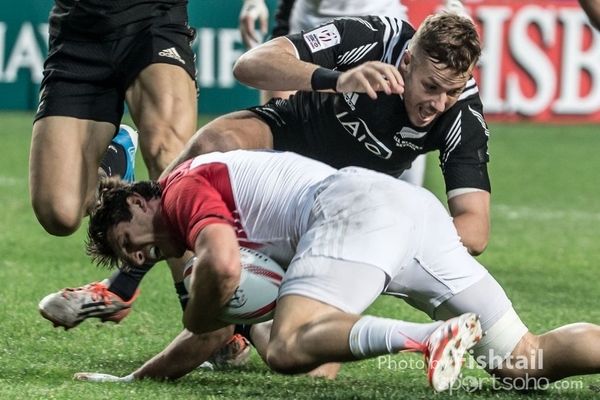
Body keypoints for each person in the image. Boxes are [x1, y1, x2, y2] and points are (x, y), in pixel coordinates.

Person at [40, 12, 488, 334]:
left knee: (294, 350)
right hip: (289, 132)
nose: (437, 104)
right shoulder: (375, 37)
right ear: (407, 62)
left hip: (343, 194)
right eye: (430, 87)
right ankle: (126, 283)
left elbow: (475, 229)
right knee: (212, 145)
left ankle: (228, 327)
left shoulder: (460, 115)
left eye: (451, 92)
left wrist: (391, 238)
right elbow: (249, 65)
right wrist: (336, 79)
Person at [78, 149, 600, 390]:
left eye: (129, 244)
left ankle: (427, 339)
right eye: (131, 260)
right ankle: (440, 337)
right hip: (411, 213)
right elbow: (214, 329)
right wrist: (135, 378)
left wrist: (195, 313)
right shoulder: (202, 197)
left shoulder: (179, 190)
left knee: (286, 346)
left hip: (353, 208)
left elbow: (222, 265)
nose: (140, 258)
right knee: (523, 362)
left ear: (138, 202)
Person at [31, 0, 247, 364]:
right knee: (59, 213)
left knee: (168, 153)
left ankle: (205, 316)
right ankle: (117, 160)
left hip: (153, 19)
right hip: (79, 29)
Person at [238, 0, 471, 187]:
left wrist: (454, 4)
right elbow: (254, 69)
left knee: (404, 141)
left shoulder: (394, 43)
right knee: (280, 153)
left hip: (383, 33)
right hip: (312, 26)